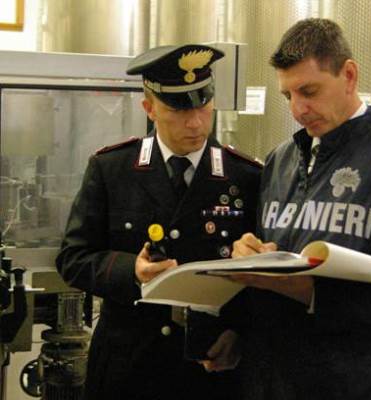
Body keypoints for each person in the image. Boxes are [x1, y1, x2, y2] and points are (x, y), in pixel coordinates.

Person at [230, 18, 371, 399]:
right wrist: (250, 254)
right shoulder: (280, 161)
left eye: (309, 91)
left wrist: (313, 293)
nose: (298, 109)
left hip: (365, 383)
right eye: (287, 96)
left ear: (349, 75)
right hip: (278, 380)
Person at [55, 44, 261, 400]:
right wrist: (131, 272)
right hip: (130, 367)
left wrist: (239, 332)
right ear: (149, 108)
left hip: (210, 371)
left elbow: (262, 275)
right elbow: (73, 258)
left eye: (203, 106)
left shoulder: (245, 176)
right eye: (178, 110)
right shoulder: (112, 169)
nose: (195, 123)